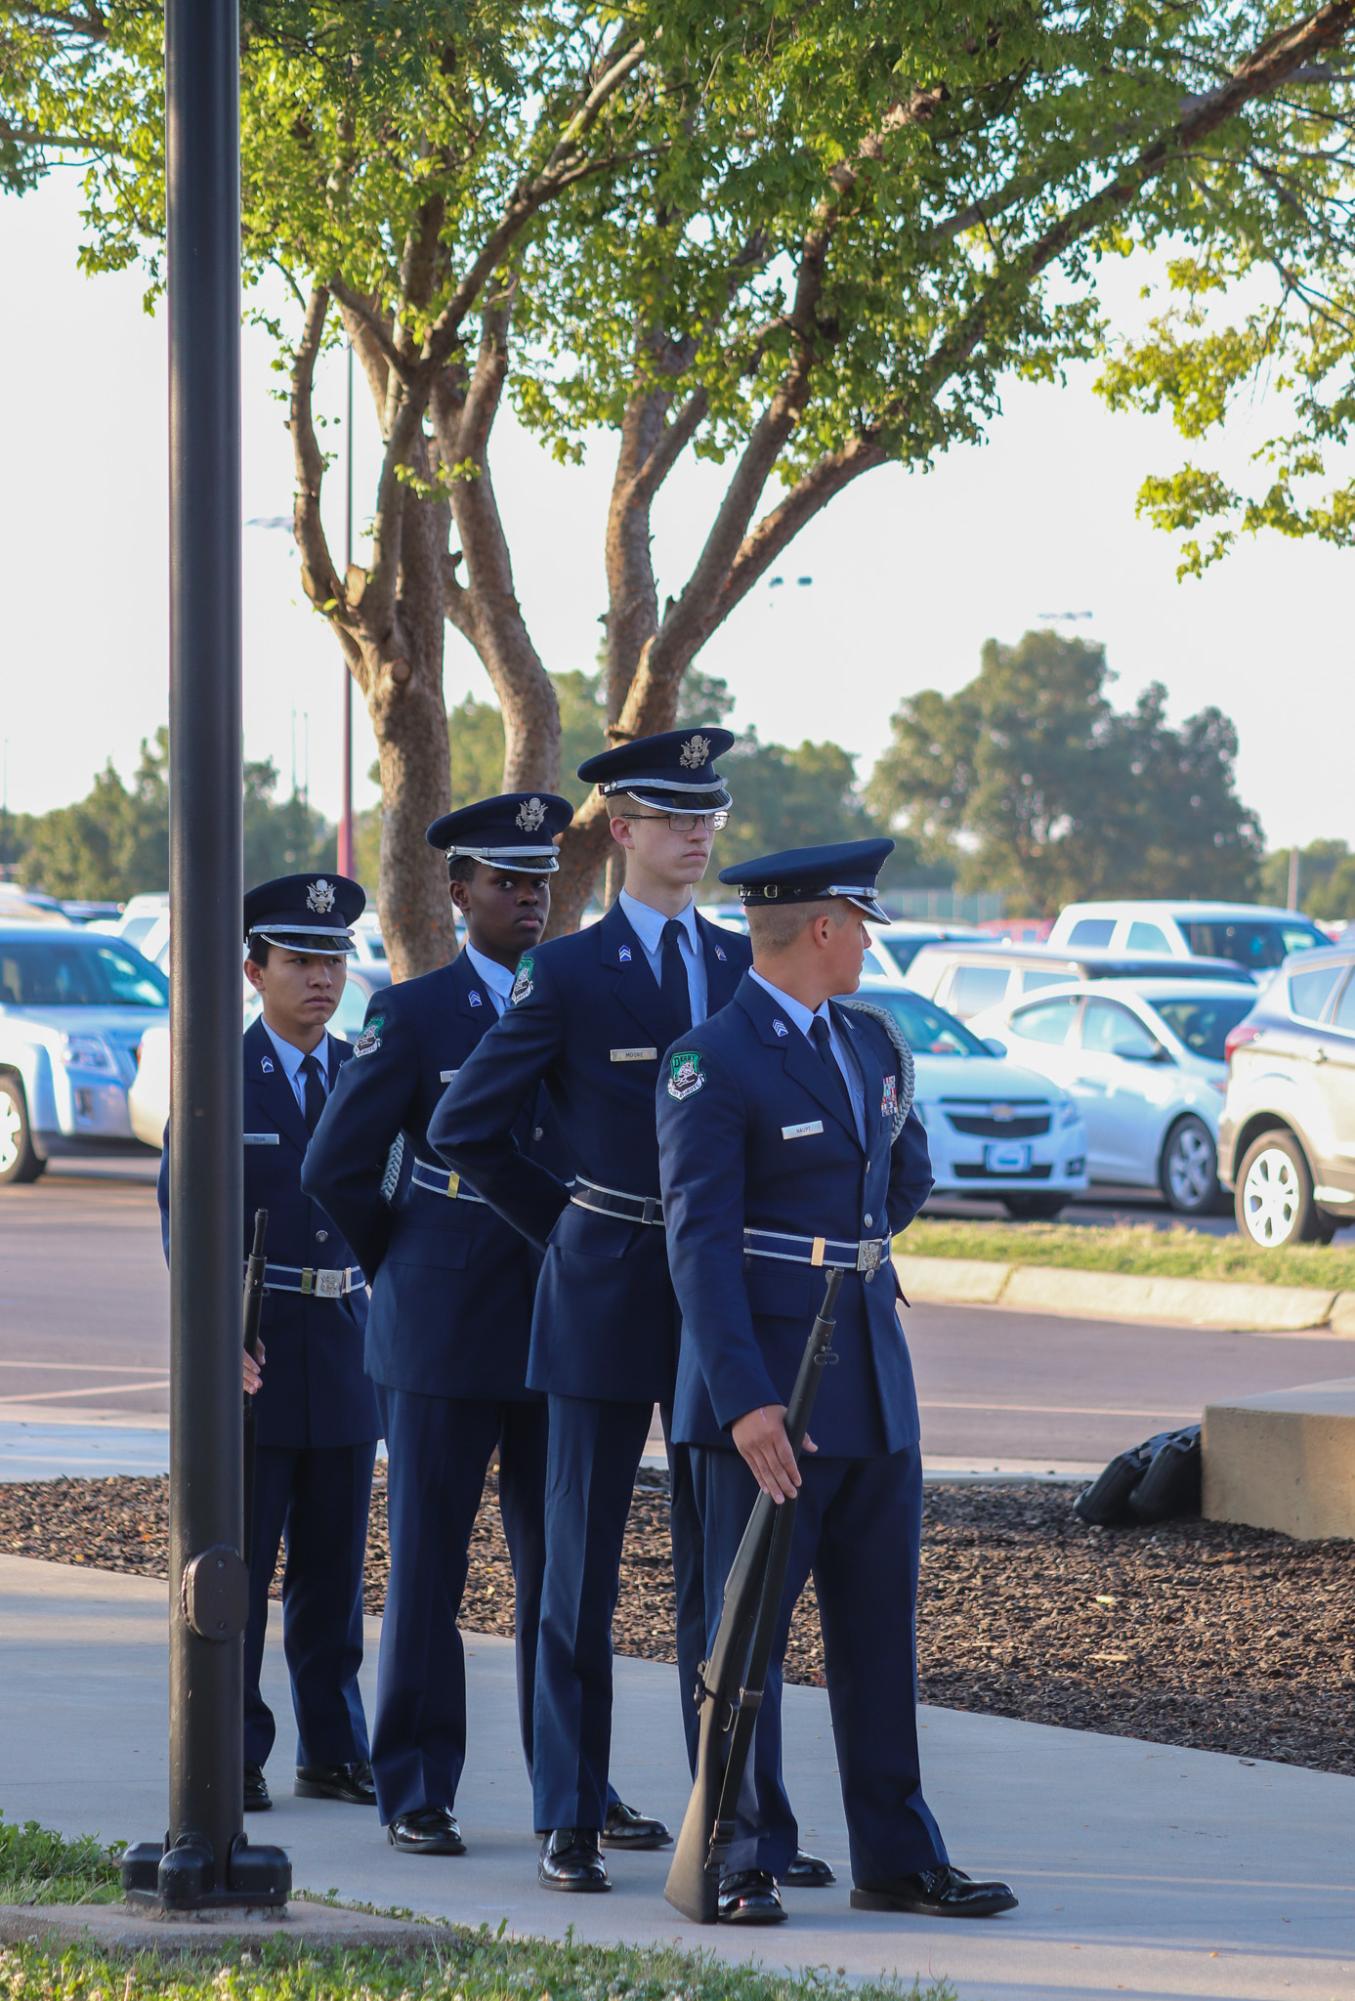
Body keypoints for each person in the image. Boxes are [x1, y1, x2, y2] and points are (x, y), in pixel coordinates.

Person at [430, 731, 826, 1896]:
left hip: (723, 1299)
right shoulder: (567, 970)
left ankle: (740, 1813)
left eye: (709, 812)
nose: (696, 833)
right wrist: (560, 1223)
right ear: (619, 828)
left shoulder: (738, 961)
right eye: (669, 814)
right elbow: (465, 1130)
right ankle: (569, 1812)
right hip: (599, 1285)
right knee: (576, 1566)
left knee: (726, 1570)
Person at [656, 839, 1018, 1926]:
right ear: (819, 929)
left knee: (877, 1637)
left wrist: (837, 1258)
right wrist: (742, 1397)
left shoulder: (868, 1045)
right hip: (770, 1395)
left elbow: (897, 1180)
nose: (867, 940)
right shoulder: (710, 1060)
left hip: (867, 1377)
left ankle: (895, 1857)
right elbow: (696, 1245)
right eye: (858, 922)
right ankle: (733, 1852)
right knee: (742, 1640)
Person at [302, 792, 646, 1858]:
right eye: (504, 881)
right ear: (457, 894)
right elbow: (333, 1167)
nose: (528, 898)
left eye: (541, 880)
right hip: (442, 1322)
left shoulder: (588, 998)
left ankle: (573, 1792)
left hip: (565, 1318)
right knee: (428, 1568)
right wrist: (404, 1258)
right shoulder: (411, 1016)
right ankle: (413, 1786)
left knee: (566, 1572)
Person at [158, 871, 381, 1815]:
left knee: (333, 1575)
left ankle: (332, 1747)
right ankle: (234, 1743)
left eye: (332, 959)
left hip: (343, 1347)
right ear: (253, 968)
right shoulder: (217, 1072)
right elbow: (184, 1214)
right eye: (299, 960)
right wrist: (216, 1338)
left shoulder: (363, 1070)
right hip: (253, 1353)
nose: (321, 978)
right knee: (241, 1566)